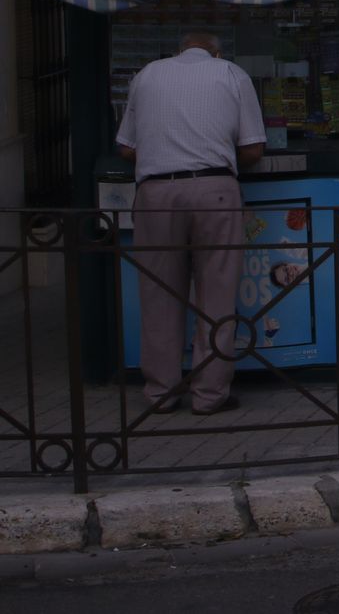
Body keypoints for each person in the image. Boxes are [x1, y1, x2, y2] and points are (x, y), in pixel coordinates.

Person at [116, 31, 266, 414]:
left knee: (158, 294)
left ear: (178, 49)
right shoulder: (232, 74)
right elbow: (252, 149)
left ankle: (161, 393)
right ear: (215, 51)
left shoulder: (147, 74)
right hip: (215, 190)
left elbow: (126, 147)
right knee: (215, 295)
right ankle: (209, 395)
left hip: (156, 194)